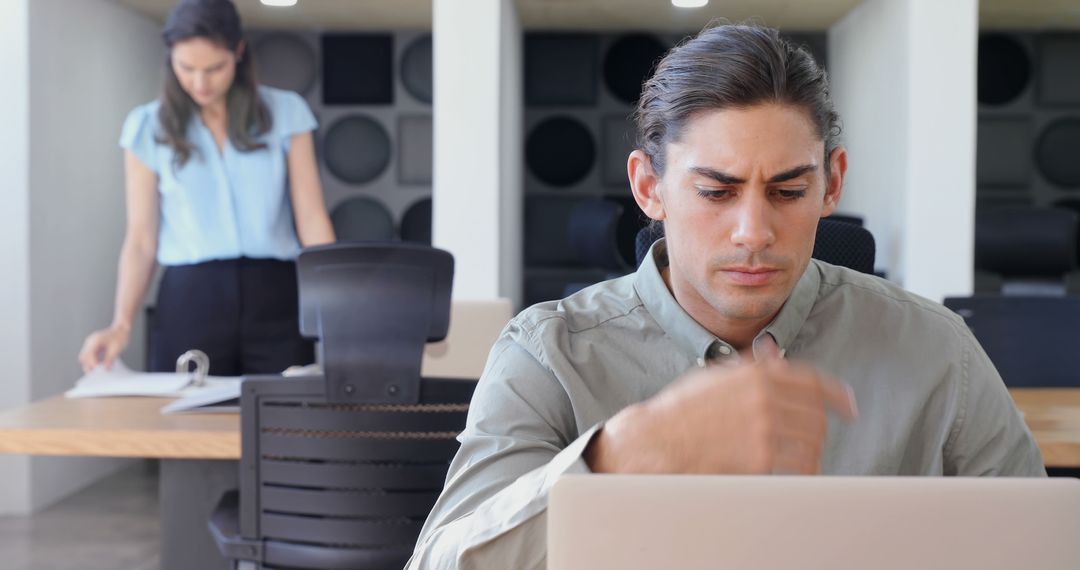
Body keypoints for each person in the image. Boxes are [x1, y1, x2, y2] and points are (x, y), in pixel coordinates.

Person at [407, 24, 1045, 569]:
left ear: (832, 184)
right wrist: (620, 458)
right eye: (716, 191)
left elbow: (1039, 550)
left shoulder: (936, 350)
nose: (754, 232)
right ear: (649, 187)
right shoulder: (547, 353)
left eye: (789, 191)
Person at [78, 0, 334, 376]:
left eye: (215, 68)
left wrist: (340, 311)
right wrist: (122, 323)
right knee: (186, 425)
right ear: (171, 59)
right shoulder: (147, 127)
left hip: (277, 294)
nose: (200, 83)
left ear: (239, 53)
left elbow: (312, 223)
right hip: (190, 298)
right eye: (187, 68)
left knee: (284, 420)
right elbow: (141, 240)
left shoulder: (287, 113)